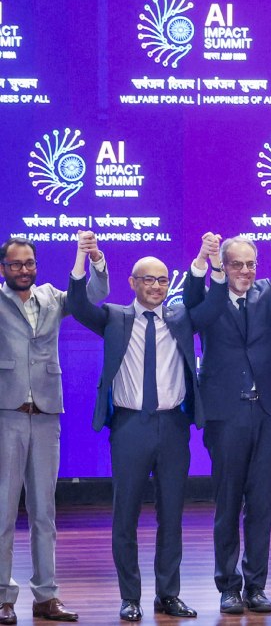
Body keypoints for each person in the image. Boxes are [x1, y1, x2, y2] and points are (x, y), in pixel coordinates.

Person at [67, 233, 204, 622]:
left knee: (171, 515)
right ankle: (130, 597)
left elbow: (204, 301)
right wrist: (86, 259)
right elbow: (78, 305)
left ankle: (168, 595)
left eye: (162, 280)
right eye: (148, 279)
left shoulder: (181, 317)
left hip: (173, 425)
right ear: (132, 283)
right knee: (125, 515)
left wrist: (201, 259)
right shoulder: (114, 317)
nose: (156, 286)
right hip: (129, 426)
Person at [182, 233, 271, 614]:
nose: (246, 271)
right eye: (237, 264)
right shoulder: (208, 299)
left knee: (261, 504)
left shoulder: (265, 292)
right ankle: (228, 586)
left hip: (267, 412)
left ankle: (256, 586)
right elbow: (190, 300)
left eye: (251, 264)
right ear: (224, 266)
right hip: (226, 414)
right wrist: (203, 260)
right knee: (228, 503)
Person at [0, 234, 108, 625]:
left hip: (46, 415)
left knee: (45, 511)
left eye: (29, 263)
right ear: (3, 268)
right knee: (3, 512)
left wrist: (94, 260)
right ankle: (3, 597)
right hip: (6, 415)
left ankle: (46, 596)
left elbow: (92, 295)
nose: (23, 270)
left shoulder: (51, 297)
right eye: (16, 264)